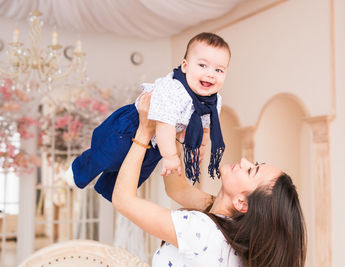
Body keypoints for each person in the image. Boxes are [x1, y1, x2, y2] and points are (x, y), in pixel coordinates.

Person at [113, 92, 307, 267]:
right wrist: (170, 133)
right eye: (254, 163)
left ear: (241, 203)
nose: (244, 161)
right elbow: (178, 190)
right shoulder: (228, 226)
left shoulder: (201, 230)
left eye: (250, 171)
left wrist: (144, 132)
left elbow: (123, 200)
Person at [72, 32, 231, 202]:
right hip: (132, 125)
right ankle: (79, 169)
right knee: (109, 155)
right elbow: (164, 125)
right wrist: (171, 157)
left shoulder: (214, 101)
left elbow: (206, 125)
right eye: (202, 65)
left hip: (158, 142)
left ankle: (109, 191)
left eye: (219, 70)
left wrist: (201, 146)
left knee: (140, 169)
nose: (211, 74)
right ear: (185, 66)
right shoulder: (174, 90)